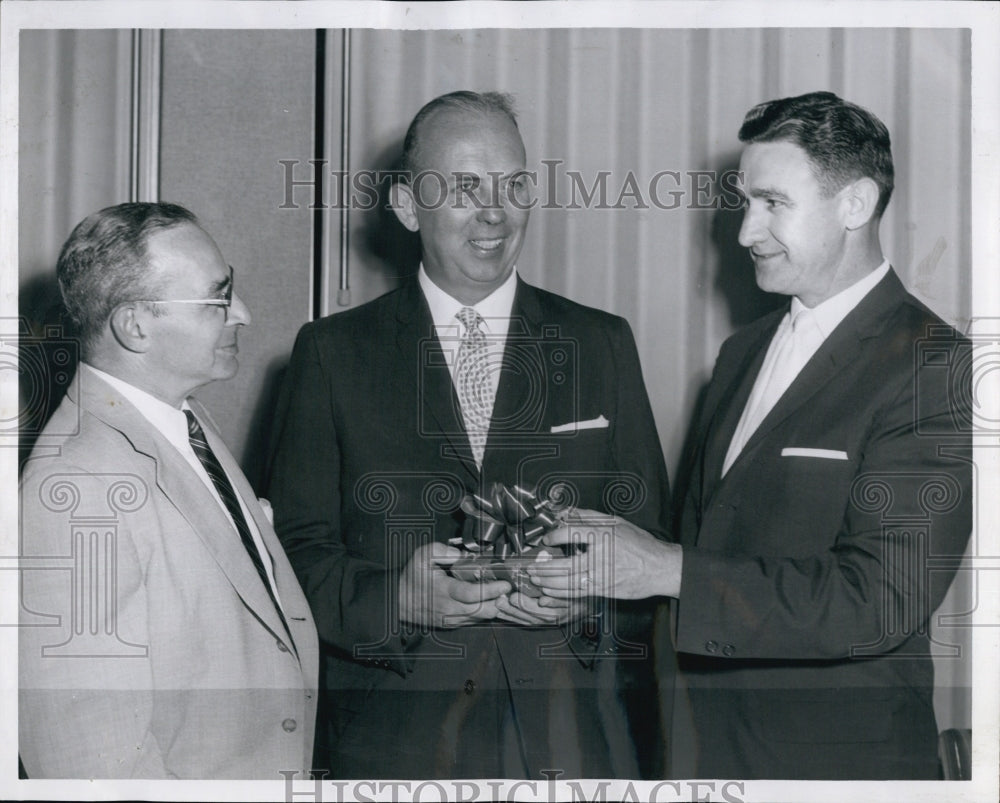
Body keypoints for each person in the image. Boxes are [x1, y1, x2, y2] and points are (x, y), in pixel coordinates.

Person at [530, 91, 973, 779]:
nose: (744, 233)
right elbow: (707, 553)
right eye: (745, 201)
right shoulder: (742, 352)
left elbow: (881, 598)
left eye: (773, 203)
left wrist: (663, 566)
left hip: (834, 771)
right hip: (700, 755)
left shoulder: (934, 365)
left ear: (854, 205)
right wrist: (592, 578)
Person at [265, 91, 672, 779]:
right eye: (464, 187)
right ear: (405, 206)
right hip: (397, 743)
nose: (495, 211)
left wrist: (589, 601)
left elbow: (650, 543)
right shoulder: (331, 353)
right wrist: (396, 597)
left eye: (514, 184)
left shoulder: (601, 342)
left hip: (571, 738)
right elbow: (292, 556)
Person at [19, 202, 319, 779]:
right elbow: (91, 763)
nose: (245, 314)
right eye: (218, 298)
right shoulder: (76, 489)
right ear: (135, 325)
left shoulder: (181, 420)